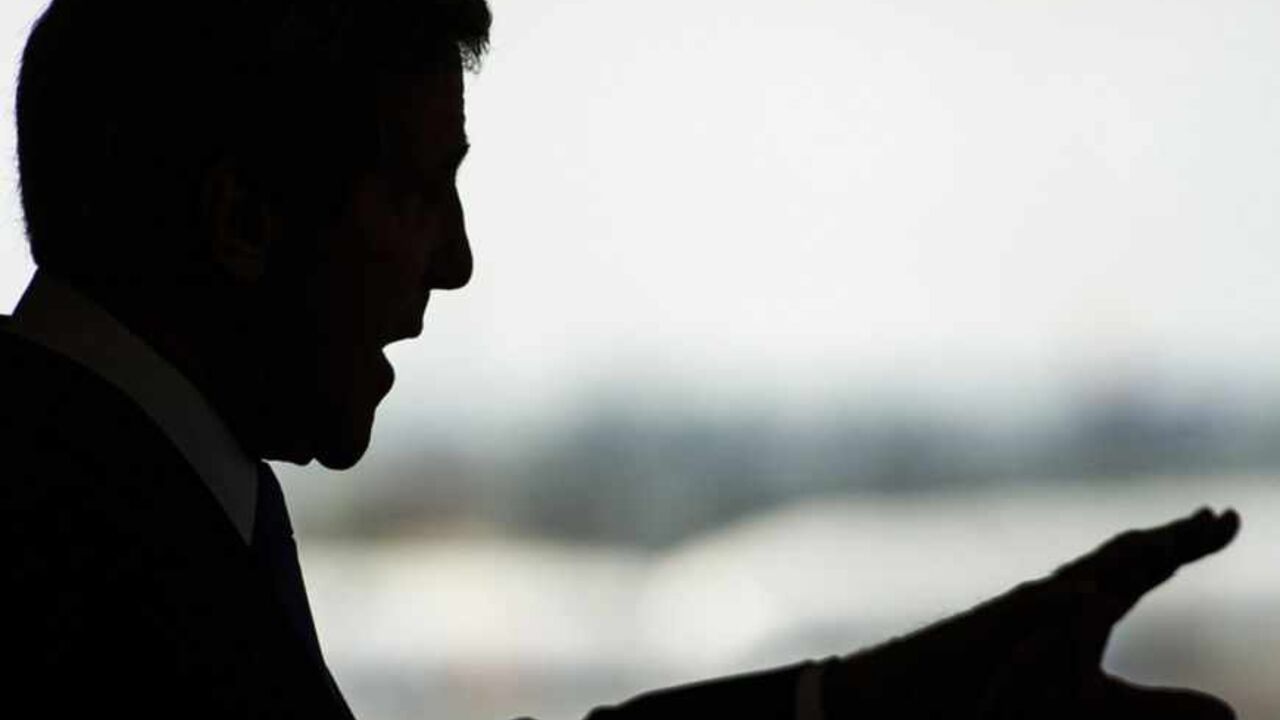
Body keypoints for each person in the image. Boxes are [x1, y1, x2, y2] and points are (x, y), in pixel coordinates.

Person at [0, 1, 1241, 718]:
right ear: (242, 221)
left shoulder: (148, 488)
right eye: (420, 192)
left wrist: (862, 707)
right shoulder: (66, 547)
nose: (456, 262)